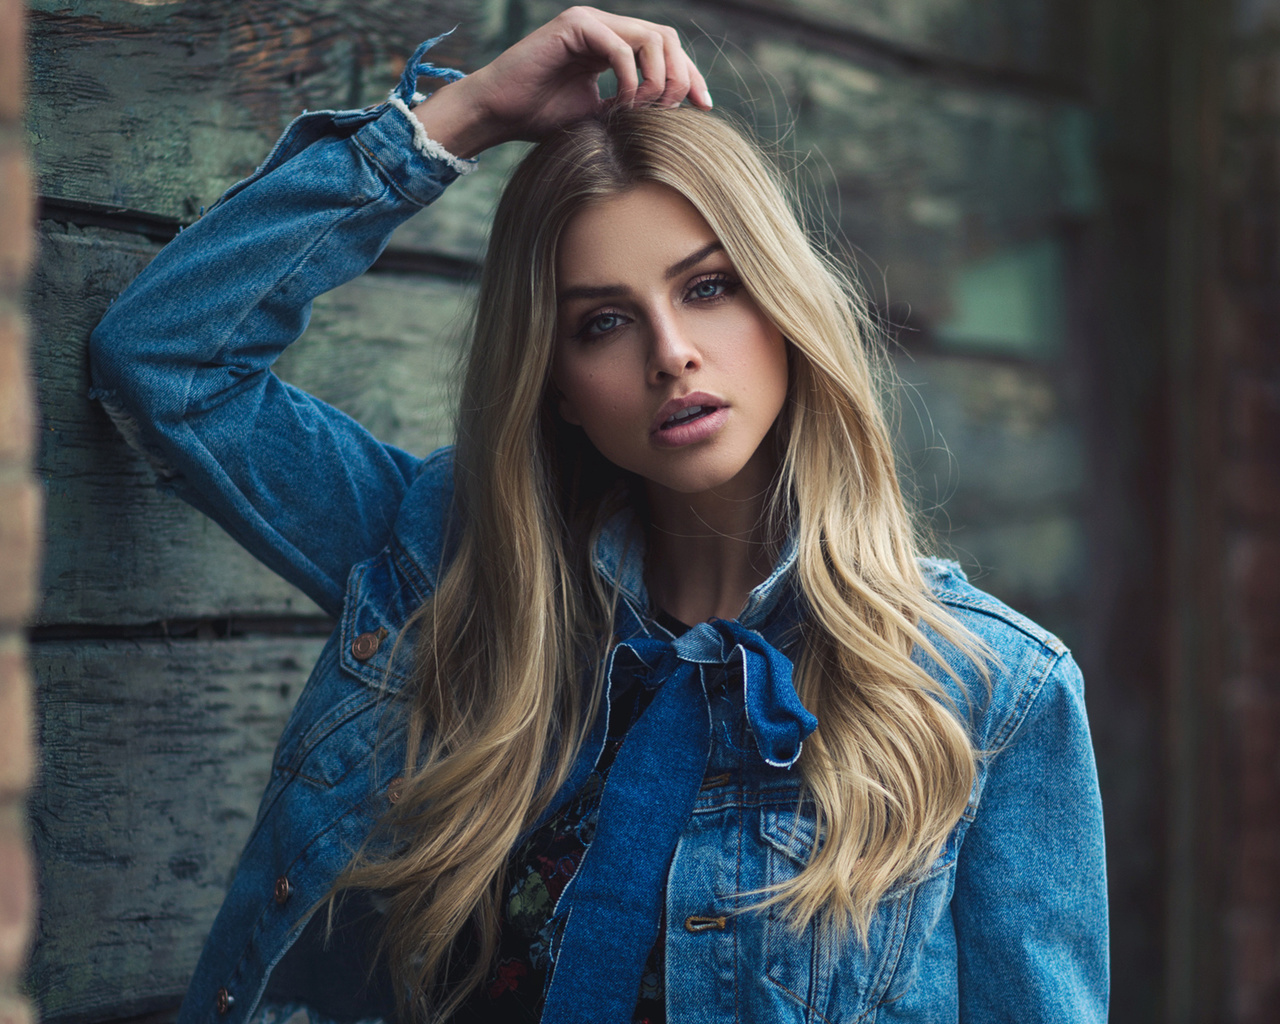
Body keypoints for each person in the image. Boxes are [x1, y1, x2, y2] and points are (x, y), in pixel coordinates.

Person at [87, 7, 1108, 1023]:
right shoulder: (448, 565)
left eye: (709, 287)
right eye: (604, 322)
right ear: (558, 385)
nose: (670, 353)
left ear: (786, 313)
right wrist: (464, 115)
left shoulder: (989, 693)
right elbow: (170, 363)